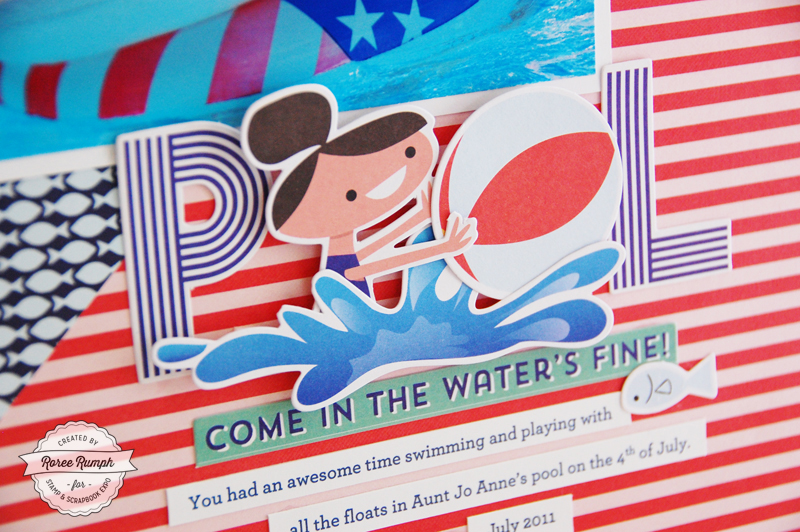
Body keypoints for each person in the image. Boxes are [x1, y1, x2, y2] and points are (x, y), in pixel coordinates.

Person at [242, 85, 476, 298]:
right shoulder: (341, 266)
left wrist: (418, 217)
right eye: (351, 196)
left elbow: (373, 249)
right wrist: (444, 248)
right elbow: (383, 262)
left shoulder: (343, 255)